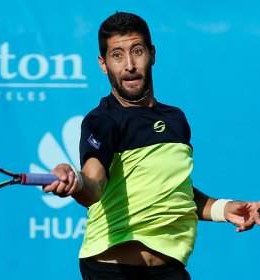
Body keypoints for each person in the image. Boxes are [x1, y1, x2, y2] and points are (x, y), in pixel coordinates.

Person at [43, 12, 260, 280]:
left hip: (170, 271)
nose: (129, 65)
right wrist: (75, 180)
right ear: (103, 64)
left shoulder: (176, 119)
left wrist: (224, 209)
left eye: (137, 51)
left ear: (152, 54)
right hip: (111, 272)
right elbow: (93, 185)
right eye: (117, 55)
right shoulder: (102, 121)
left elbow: (174, 192)